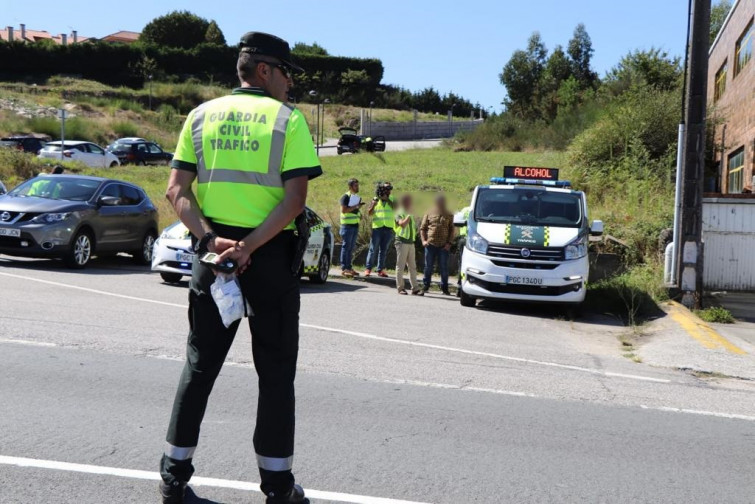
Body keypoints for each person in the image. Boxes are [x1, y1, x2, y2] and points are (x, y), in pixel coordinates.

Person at [158, 31, 321, 504]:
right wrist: (248, 246)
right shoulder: (287, 121)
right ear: (266, 70)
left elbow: (176, 191)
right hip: (266, 258)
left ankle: (173, 477)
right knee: (274, 375)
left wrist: (211, 239)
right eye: (287, 74)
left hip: (213, 257)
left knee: (198, 366)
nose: (290, 85)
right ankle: (277, 487)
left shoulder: (200, 116)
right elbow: (294, 202)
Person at [420, 194, 455, 295]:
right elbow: (423, 228)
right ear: (436, 202)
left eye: (442, 201)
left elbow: (452, 230)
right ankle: (426, 286)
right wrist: (424, 241)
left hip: (443, 246)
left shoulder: (449, 214)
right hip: (430, 245)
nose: (441, 203)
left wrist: (449, 243)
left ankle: (444, 288)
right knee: (428, 267)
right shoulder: (429, 212)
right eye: (439, 202)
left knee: (444, 267)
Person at [394, 193, 423, 296]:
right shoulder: (399, 212)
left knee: (412, 267)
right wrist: (409, 215)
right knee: (400, 266)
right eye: (409, 201)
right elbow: (402, 224)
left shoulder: (409, 213)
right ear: (404, 202)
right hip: (401, 242)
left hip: (410, 242)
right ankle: (400, 288)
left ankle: (415, 288)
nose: (411, 202)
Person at [364, 181, 395, 277]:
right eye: (386, 189)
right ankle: (368, 269)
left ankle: (380, 269)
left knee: (384, 249)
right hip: (377, 227)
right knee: (373, 249)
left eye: (389, 189)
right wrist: (373, 205)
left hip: (388, 228)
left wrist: (388, 200)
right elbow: (369, 213)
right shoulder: (375, 199)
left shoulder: (393, 199)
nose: (388, 190)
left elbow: (397, 208)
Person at [339, 178, 363, 277]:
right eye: (355, 185)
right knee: (346, 247)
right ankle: (345, 268)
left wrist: (359, 213)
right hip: (347, 226)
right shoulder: (345, 197)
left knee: (350, 248)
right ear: (350, 187)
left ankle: (349, 267)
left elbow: (354, 210)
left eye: (358, 185)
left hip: (354, 225)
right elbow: (344, 210)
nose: (357, 187)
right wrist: (356, 207)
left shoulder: (356, 197)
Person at [455, 205, 471, 294]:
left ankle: (459, 287)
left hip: (463, 239)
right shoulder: (478, 208)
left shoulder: (464, 209)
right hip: (472, 240)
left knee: (461, 264)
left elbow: (457, 220)